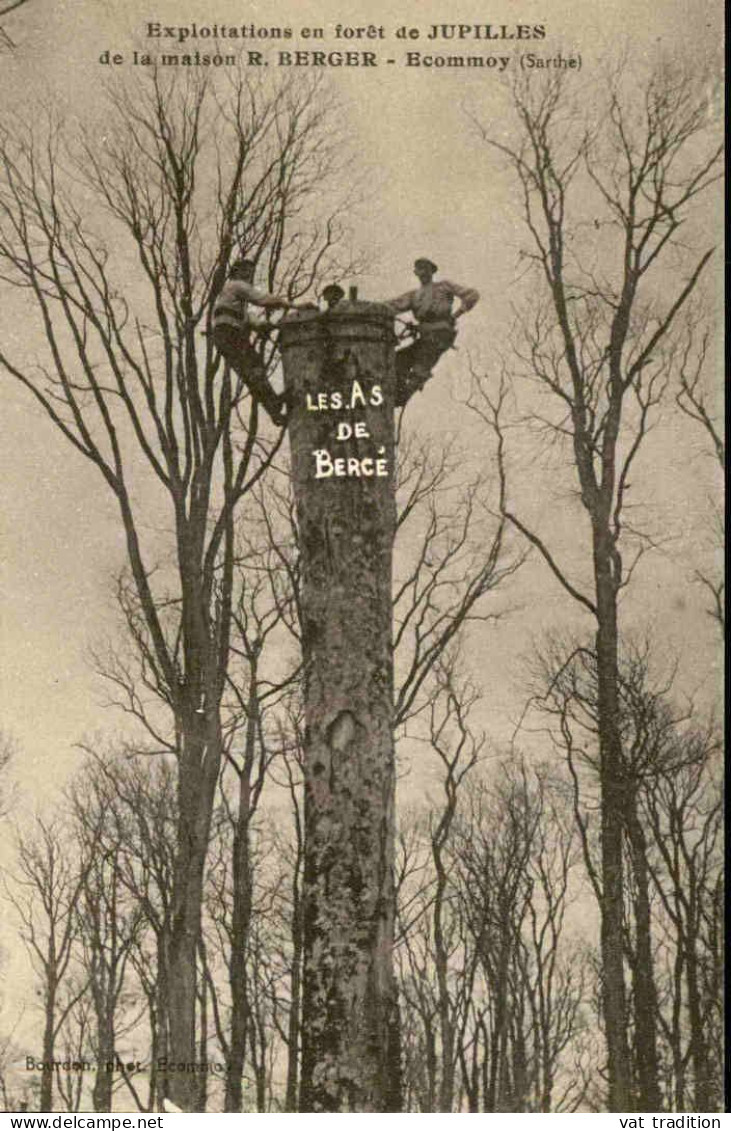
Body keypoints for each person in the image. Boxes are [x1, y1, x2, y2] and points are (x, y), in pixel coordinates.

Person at [211, 258, 303, 425]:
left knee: (252, 373)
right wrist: (294, 306)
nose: (249, 276)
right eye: (246, 271)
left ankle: (274, 410)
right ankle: (274, 404)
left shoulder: (235, 301)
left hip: (226, 336)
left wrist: (264, 326)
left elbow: (251, 319)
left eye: (251, 272)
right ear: (237, 272)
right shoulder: (235, 285)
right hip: (228, 334)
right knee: (254, 369)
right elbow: (261, 299)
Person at [386, 258, 480, 407]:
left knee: (421, 365)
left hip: (440, 335)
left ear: (431, 271)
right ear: (415, 273)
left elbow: (472, 295)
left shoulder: (444, 287)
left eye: (425, 269)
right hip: (424, 337)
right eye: (419, 269)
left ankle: (403, 396)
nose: (423, 273)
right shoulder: (414, 295)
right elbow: (390, 306)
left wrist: (456, 315)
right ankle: (398, 392)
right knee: (399, 359)